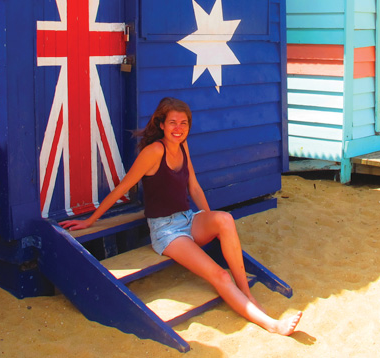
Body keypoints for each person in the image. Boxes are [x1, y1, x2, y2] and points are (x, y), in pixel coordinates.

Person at [59, 97, 301, 336]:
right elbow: (122, 188)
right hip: (166, 231)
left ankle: (247, 295)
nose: (178, 128)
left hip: (188, 218)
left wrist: (208, 218)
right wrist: (90, 220)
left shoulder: (183, 146)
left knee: (225, 219)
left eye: (184, 123)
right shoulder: (153, 152)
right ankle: (272, 324)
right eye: (173, 122)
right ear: (161, 124)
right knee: (219, 274)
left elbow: (193, 187)